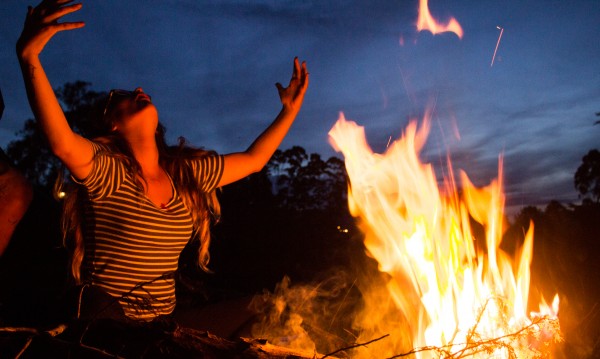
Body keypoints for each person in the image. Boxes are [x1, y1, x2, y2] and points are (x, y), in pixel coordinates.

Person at [16, 0, 308, 323]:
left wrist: (289, 111)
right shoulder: (108, 171)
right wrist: (29, 58)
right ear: (112, 123)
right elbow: (62, 143)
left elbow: (254, 160)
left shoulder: (185, 175)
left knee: (264, 307)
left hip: (163, 330)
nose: (139, 89)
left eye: (139, 90)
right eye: (122, 96)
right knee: (92, 299)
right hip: (108, 327)